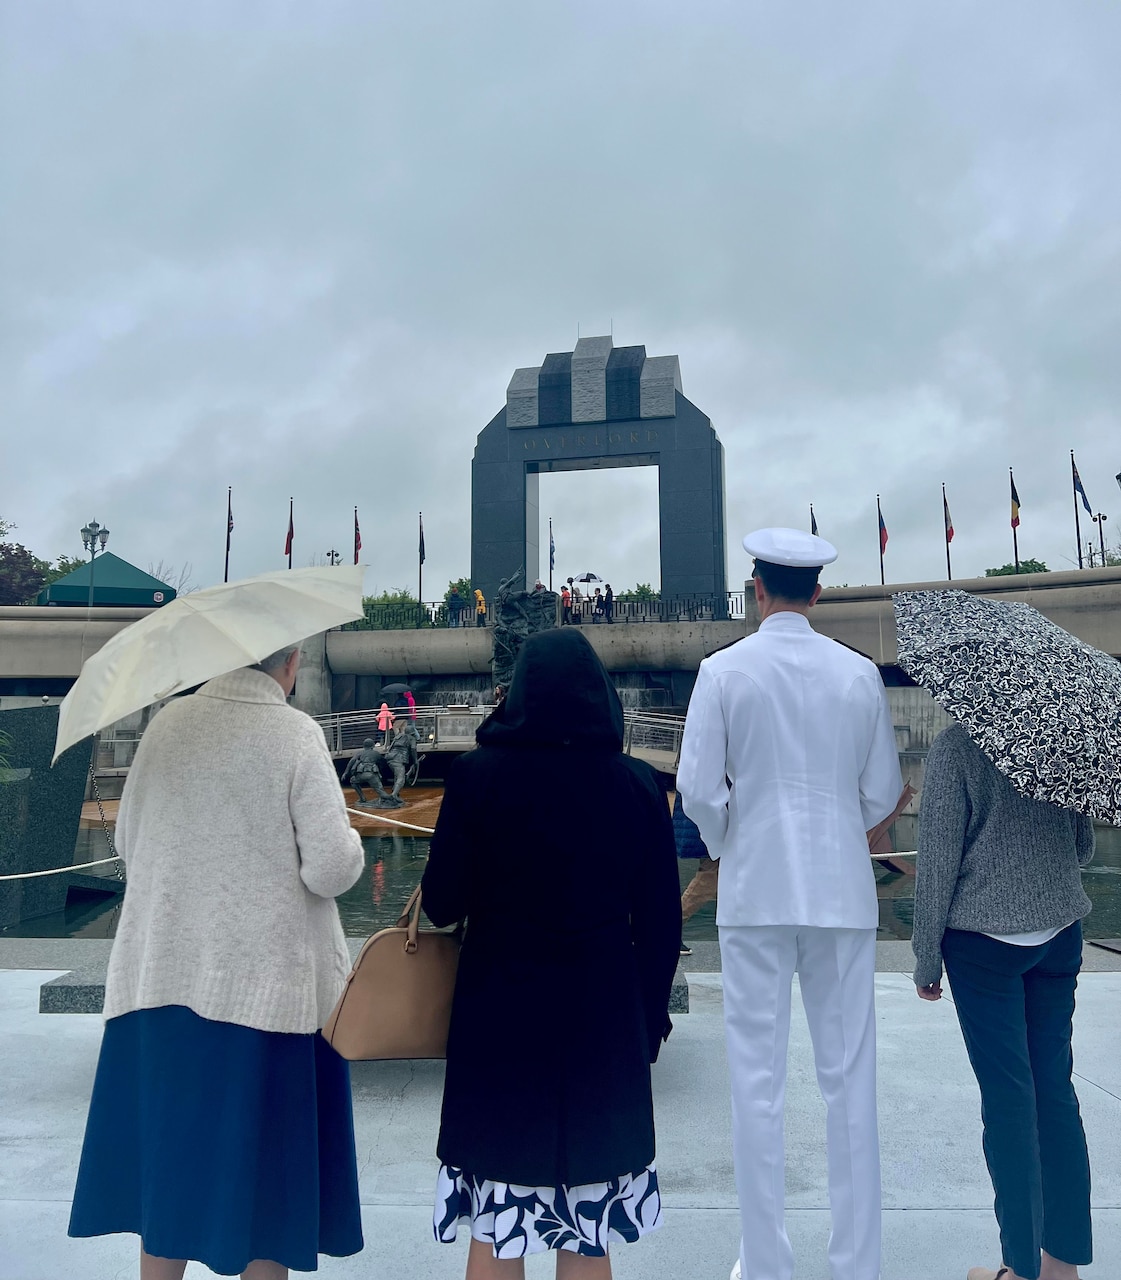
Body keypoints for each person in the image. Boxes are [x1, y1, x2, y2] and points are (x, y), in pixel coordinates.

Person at [68, 645, 366, 1279]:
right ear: (289, 665)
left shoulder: (166, 726)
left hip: (163, 981)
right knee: (269, 1192)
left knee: (166, 1177)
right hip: (269, 997)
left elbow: (128, 840)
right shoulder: (294, 733)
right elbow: (332, 869)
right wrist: (353, 841)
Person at [677, 527, 902, 1280]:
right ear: (817, 593)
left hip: (754, 890)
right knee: (850, 1085)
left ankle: (766, 1263)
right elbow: (877, 792)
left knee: (755, 1084)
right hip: (842, 890)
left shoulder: (721, 671)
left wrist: (731, 838)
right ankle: (855, 1264)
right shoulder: (857, 674)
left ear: (756, 588)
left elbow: (699, 793)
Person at [422, 627, 682, 1278]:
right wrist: (648, 1025)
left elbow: (443, 904)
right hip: (602, 1018)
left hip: (498, 1015)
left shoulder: (475, 777)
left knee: (497, 1223)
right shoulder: (637, 784)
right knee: (587, 1231)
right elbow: (659, 927)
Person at [912, 724, 1095, 1280]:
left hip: (983, 943)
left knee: (1009, 1101)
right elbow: (1082, 846)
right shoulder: (1061, 736)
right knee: (1055, 1094)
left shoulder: (955, 746)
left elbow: (938, 862)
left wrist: (926, 956)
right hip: (1059, 928)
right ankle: (1063, 1265)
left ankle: (1019, 1269)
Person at [673, 792, 718, 957]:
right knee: (711, 876)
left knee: (714, 876)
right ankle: (667, 928)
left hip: (707, 814)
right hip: (715, 817)